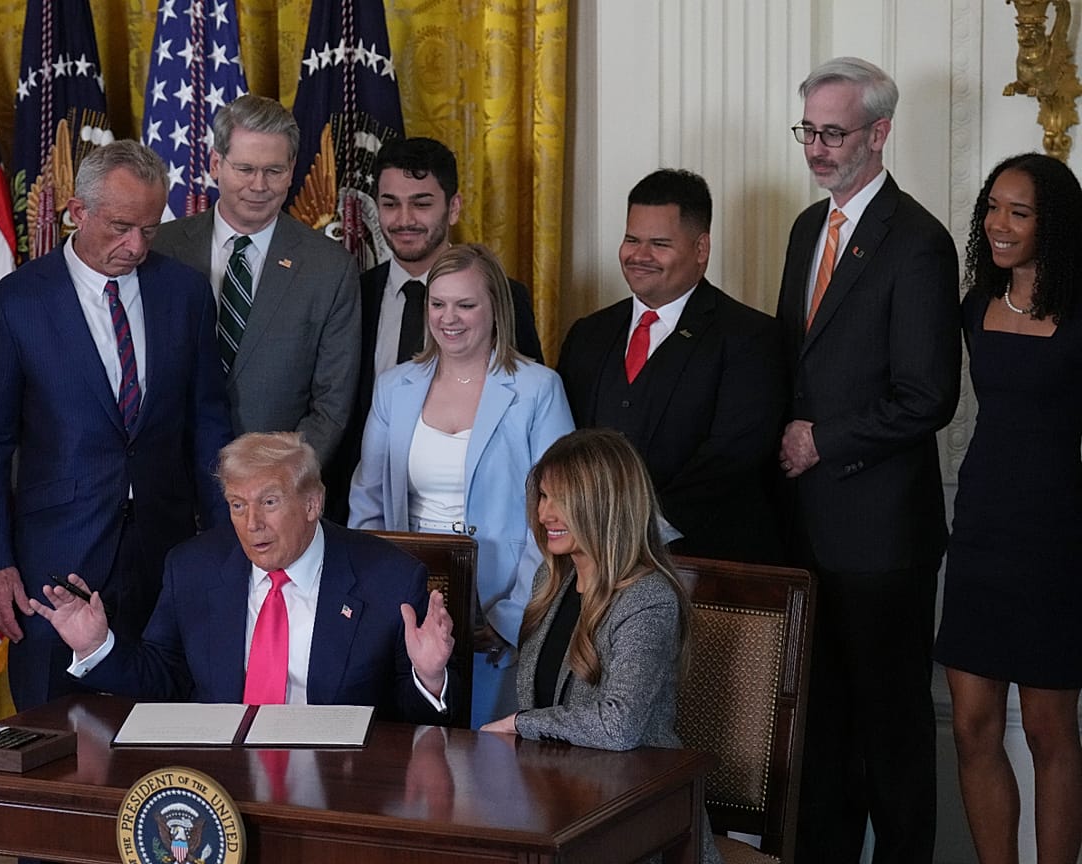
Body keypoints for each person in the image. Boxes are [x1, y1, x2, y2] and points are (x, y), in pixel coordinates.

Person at [775, 57, 961, 864]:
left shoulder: (918, 241)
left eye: (833, 132)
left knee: (890, 736)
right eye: (808, 130)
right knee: (821, 731)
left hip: (883, 538)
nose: (816, 149)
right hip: (808, 529)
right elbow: (797, 362)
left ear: (879, 133)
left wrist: (824, 438)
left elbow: (929, 396)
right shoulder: (804, 228)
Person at [0, 140, 233, 713]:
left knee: (159, 728)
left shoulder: (185, 294)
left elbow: (208, 426)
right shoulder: (12, 305)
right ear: (76, 211)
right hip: (55, 562)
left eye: (149, 229)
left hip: (167, 556)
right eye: (120, 227)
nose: (135, 246)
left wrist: (223, 545)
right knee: (53, 736)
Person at [34, 432, 453, 724]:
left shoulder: (389, 579)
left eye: (269, 502)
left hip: (335, 781)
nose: (252, 524)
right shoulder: (193, 567)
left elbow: (406, 725)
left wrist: (429, 678)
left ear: (312, 503)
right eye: (237, 505)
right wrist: (96, 647)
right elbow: (166, 678)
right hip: (220, 778)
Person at [348, 244, 574, 726]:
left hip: (507, 607)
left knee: (490, 762)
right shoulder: (394, 386)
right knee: (412, 753)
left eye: (465, 305)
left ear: (495, 308)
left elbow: (562, 512)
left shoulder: (538, 389)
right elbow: (367, 504)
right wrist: (380, 602)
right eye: (438, 303)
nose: (449, 318)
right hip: (407, 599)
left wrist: (511, 616)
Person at [478, 428, 719, 864]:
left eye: (560, 500)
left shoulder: (649, 597)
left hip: (637, 818)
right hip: (556, 804)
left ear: (604, 504)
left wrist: (521, 723)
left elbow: (618, 726)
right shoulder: (550, 583)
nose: (544, 513)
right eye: (543, 497)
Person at [935, 152, 1082, 864]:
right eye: (992, 207)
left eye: (1018, 213)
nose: (998, 224)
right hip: (981, 531)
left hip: (1056, 540)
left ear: (1051, 224)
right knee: (972, 726)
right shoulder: (974, 307)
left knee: (1053, 732)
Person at [557, 168, 786, 563]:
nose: (639, 256)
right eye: (631, 239)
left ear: (701, 249)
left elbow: (731, 459)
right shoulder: (587, 335)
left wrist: (636, 527)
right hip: (594, 561)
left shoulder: (750, 338)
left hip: (704, 566)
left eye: (659, 244)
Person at [328, 136, 543, 523]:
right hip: (366, 518)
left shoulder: (504, 297)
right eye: (390, 204)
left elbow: (524, 410)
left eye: (422, 203)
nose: (404, 219)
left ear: (454, 207)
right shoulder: (352, 294)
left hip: (489, 527)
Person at [149, 94, 360, 470]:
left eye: (274, 171)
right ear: (216, 163)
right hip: (167, 482)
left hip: (275, 492)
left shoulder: (330, 268)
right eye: (245, 169)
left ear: (293, 169)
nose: (259, 185)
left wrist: (278, 480)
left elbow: (332, 405)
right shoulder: (160, 249)